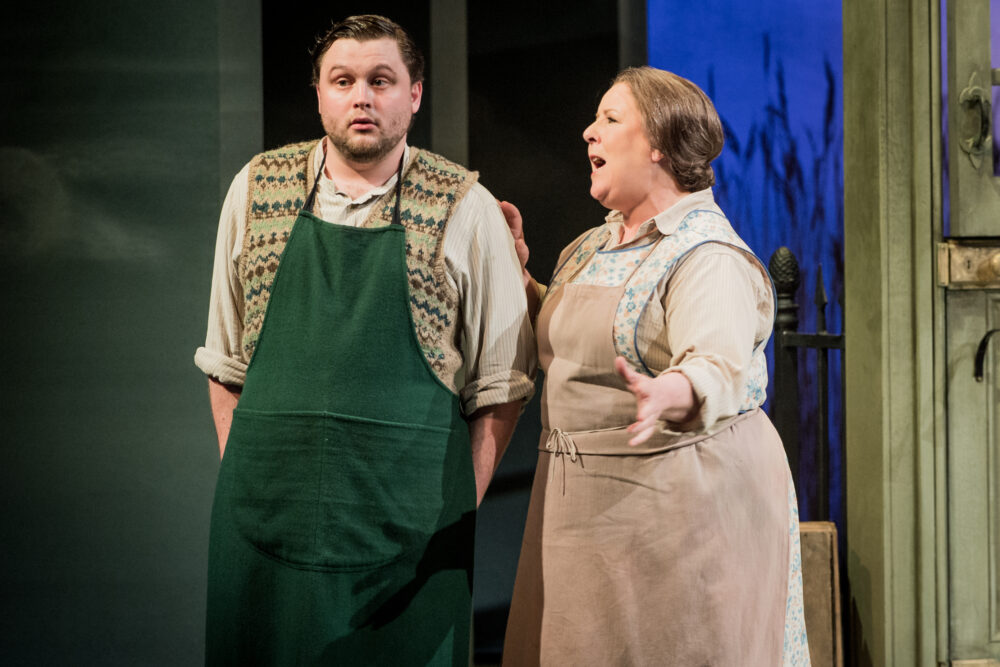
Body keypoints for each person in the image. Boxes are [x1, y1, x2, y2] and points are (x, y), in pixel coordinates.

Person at [193, 14, 535, 665]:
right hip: (262, 531)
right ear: (319, 92)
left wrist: (451, 516)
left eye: (381, 80)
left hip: (407, 549)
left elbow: (501, 389)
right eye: (342, 80)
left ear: (415, 93)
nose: (362, 97)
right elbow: (225, 363)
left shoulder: (466, 206)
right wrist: (251, 486)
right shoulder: (256, 188)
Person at [500, 67, 809, 666]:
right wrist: (518, 274)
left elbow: (717, 363)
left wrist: (671, 392)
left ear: (658, 143)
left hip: (674, 505)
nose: (590, 132)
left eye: (611, 120)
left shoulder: (706, 254)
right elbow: (570, 343)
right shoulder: (594, 244)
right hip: (583, 502)